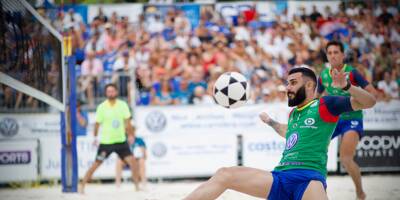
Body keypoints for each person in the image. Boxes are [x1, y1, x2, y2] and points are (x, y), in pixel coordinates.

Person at [183, 67, 376, 200]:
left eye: (293, 83)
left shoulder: (325, 105)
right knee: (225, 174)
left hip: (308, 178)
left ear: (309, 86)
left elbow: (370, 102)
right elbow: (290, 133)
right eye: (287, 83)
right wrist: (272, 123)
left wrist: (347, 87)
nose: (288, 88)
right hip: (280, 177)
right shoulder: (294, 113)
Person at [317, 41, 377, 200]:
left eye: (336, 52)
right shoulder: (323, 75)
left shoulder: (352, 73)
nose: (332, 55)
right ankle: (318, 192)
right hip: (333, 119)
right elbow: (316, 98)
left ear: (343, 55)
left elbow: (371, 93)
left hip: (352, 118)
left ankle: (360, 192)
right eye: (329, 53)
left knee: (345, 158)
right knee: (316, 153)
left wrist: (352, 91)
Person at [79, 83, 140, 194]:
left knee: (133, 163)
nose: (110, 93)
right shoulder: (102, 107)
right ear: (106, 93)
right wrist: (95, 137)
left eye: (112, 91)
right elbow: (97, 124)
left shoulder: (123, 105)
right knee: (95, 165)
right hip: (106, 143)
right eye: (108, 91)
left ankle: (137, 187)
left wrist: (131, 135)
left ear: (116, 92)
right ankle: (82, 185)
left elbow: (128, 123)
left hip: (121, 141)